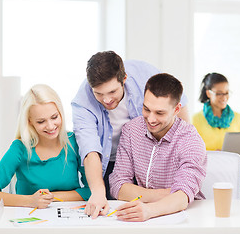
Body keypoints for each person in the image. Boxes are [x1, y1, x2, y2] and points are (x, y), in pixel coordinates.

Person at [71, 51, 190, 218]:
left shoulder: (143, 74)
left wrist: (187, 141)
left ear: (124, 79)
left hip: (147, 156)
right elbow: (90, 149)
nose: (106, 100)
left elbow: (177, 101)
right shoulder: (82, 102)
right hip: (105, 163)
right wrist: (98, 192)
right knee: (114, 210)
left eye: (112, 92)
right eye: (98, 93)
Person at [109, 73, 206, 222]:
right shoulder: (131, 130)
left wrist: (149, 209)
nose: (151, 119)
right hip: (144, 217)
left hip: (185, 218)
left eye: (160, 113)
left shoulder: (190, 139)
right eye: (146, 109)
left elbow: (183, 195)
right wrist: (166, 195)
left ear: (176, 109)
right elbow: (118, 186)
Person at [0, 84, 91, 207]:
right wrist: (30, 201)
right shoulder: (20, 148)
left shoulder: (74, 142)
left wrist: (50, 198)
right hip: (30, 222)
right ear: (30, 121)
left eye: (54, 117)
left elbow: (91, 191)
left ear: (61, 113)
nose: (50, 126)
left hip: (67, 220)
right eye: (41, 121)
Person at [192, 72, 240, 199]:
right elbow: (193, 150)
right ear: (209, 93)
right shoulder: (196, 119)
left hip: (234, 168)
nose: (224, 97)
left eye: (226, 93)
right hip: (209, 170)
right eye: (219, 93)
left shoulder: (237, 117)